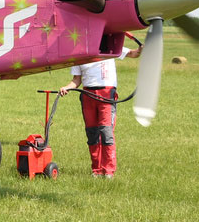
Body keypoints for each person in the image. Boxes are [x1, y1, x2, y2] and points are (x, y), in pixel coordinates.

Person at [58, 42, 142, 177]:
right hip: (88, 95)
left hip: (106, 94)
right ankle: (96, 170)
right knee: (92, 133)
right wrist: (67, 87)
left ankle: (108, 170)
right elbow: (76, 80)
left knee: (106, 132)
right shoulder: (78, 54)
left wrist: (141, 49)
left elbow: (133, 53)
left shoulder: (110, 48)